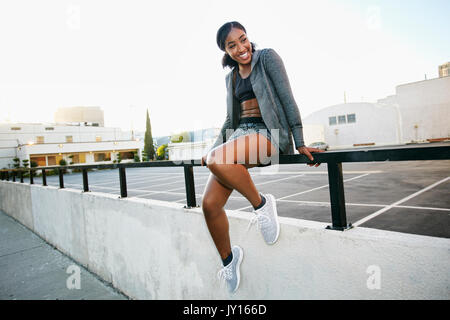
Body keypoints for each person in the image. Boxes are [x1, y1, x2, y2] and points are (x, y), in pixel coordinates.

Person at [201, 21, 324, 294]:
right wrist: (214, 146)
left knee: (216, 160)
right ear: (225, 50)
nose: (241, 48)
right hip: (238, 137)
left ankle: (261, 204)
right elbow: (229, 119)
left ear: (248, 38)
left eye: (243, 40)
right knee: (209, 205)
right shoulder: (230, 78)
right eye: (232, 45)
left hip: (267, 134)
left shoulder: (267, 57)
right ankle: (229, 261)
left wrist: (300, 141)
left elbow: (287, 98)